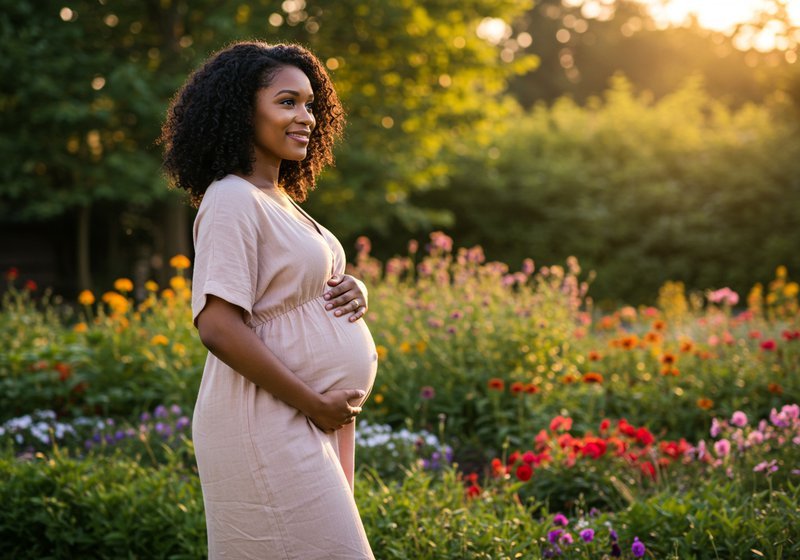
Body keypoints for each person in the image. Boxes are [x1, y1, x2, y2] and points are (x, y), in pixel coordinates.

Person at [159, 41, 377, 559]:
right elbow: (217, 325)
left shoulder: (275, 198)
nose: (306, 117)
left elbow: (292, 288)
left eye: (309, 104)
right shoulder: (231, 198)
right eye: (287, 102)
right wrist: (315, 403)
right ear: (241, 110)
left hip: (311, 418)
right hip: (270, 417)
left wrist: (353, 288)